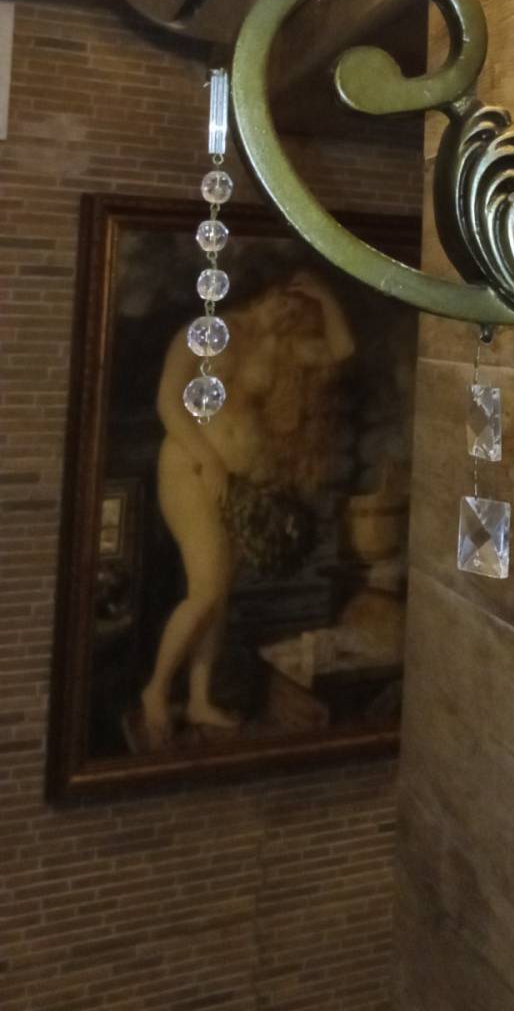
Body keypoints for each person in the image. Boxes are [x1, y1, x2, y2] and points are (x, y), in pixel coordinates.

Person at [139, 270, 354, 747]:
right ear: (262, 294)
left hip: (236, 485)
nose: (288, 314)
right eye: (284, 301)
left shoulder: (280, 348)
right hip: (191, 470)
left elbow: (341, 352)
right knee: (206, 591)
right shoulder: (205, 331)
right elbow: (169, 403)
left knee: (218, 595)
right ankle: (155, 690)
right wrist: (209, 460)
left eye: (297, 311)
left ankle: (199, 698)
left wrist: (325, 297)